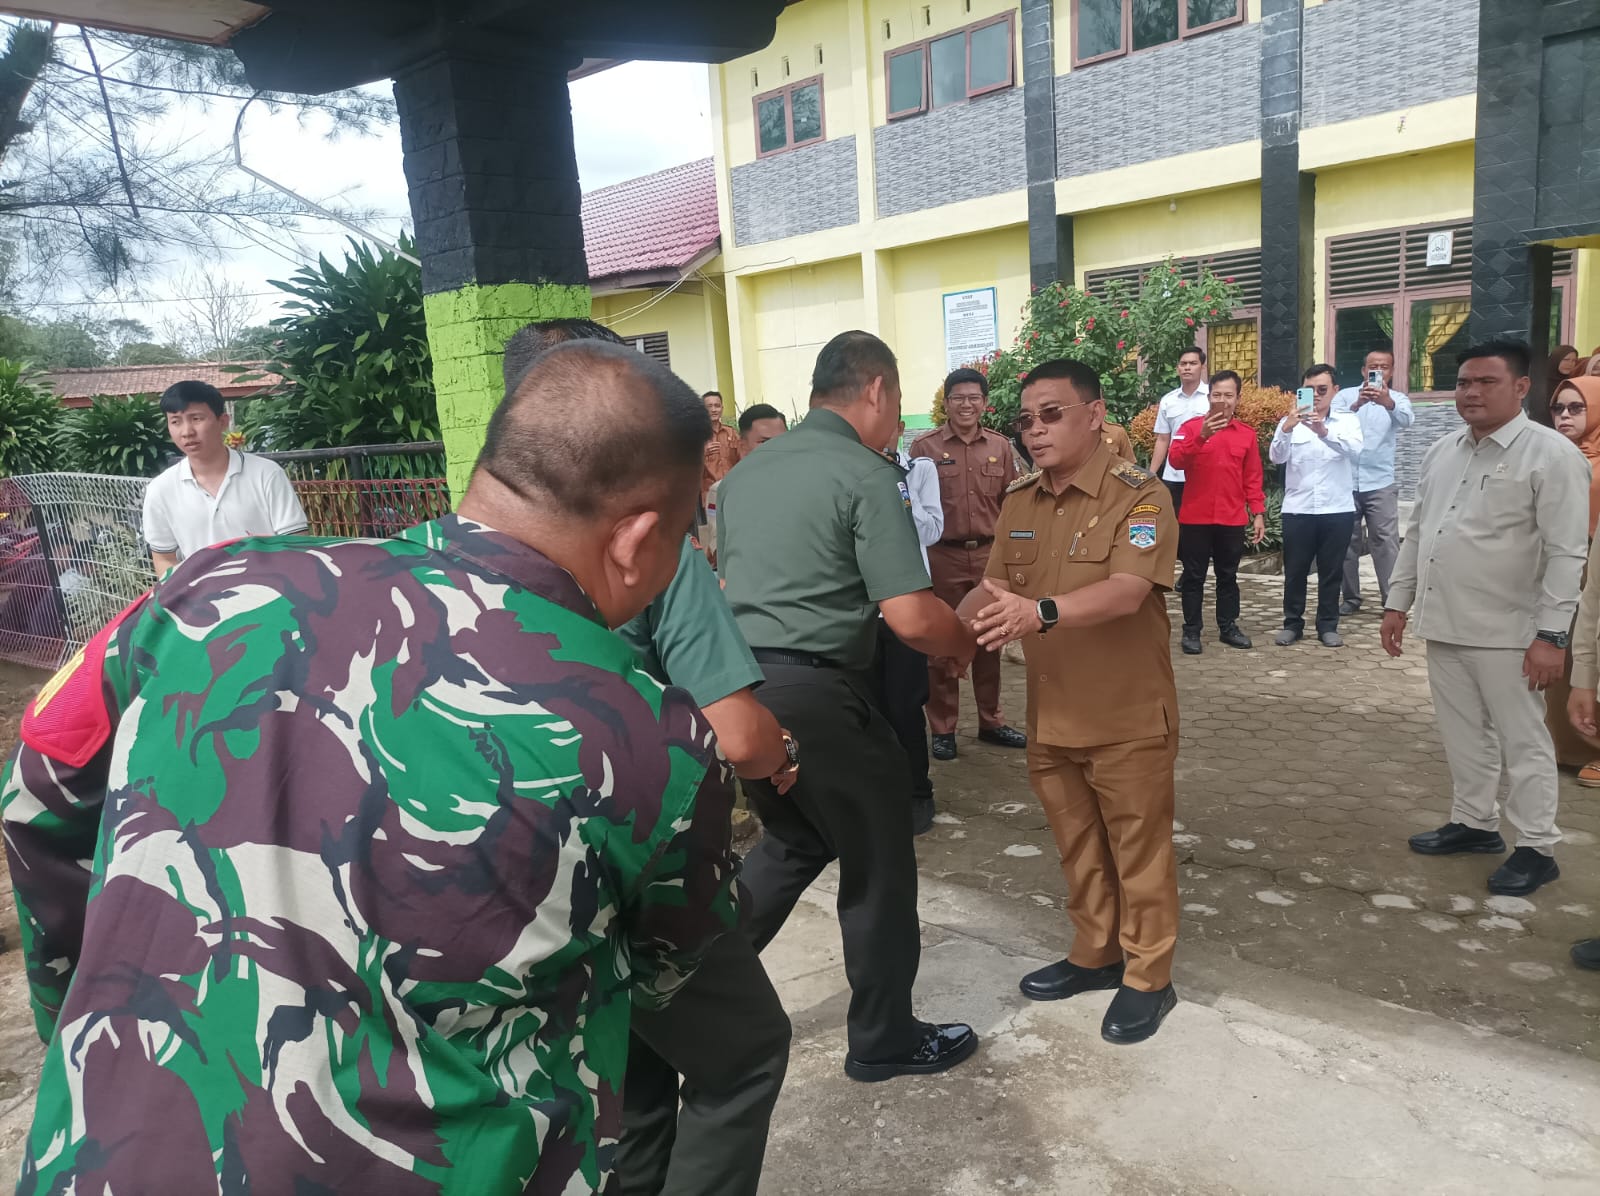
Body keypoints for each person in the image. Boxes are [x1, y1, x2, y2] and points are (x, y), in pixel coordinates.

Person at [0, 340, 741, 1192]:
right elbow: (661, 968)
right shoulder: (657, 742)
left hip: (106, 1159)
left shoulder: (206, 590)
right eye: (686, 534)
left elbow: (39, 792)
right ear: (638, 538)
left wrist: (79, 1014)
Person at [504, 321, 794, 1196]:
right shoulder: (651, 550)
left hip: (500, 886)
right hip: (630, 862)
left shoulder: (433, 554)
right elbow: (739, 737)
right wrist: (784, 751)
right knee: (742, 1054)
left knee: (625, 1078)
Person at [718, 330, 981, 1081]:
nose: (896, 422)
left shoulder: (743, 475)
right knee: (879, 860)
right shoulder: (866, 472)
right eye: (897, 404)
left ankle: (685, 989)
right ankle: (883, 1038)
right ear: (876, 390)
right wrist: (962, 641)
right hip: (824, 694)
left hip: (746, 693)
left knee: (796, 840)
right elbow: (911, 615)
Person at [968, 357, 1181, 1045]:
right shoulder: (1019, 501)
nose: (1035, 430)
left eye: (1052, 414)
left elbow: (1128, 591)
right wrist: (925, 632)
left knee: (1138, 854)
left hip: (1126, 715)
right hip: (1052, 714)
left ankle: (1149, 976)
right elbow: (995, 591)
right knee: (1078, 848)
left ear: (1094, 416)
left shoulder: (1139, 496)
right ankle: (1096, 953)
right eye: (1026, 419)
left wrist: (1041, 613)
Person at [1383, 339, 1589, 898]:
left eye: (1486, 382)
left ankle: (1537, 847)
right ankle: (1474, 823)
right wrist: (1397, 601)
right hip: (1444, 621)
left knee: (1524, 741)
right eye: (1464, 382)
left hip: (1511, 632)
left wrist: (1552, 636)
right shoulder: (1443, 451)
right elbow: (1419, 532)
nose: (1471, 392)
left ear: (1521, 387)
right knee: (1463, 734)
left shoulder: (1551, 455)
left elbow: (1567, 553)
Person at [910, 368, 1028, 761]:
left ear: (984, 402)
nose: (966, 405)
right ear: (946, 403)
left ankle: (991, 721)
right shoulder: (924, 448)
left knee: (990, 641)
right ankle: (943, 728)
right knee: (942, 641)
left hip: (989, 557)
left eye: (974, 397)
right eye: (958, 398)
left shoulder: (1000, 446)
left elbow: (1012, 503)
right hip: (942, 556)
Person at [141, 379, 308, 574]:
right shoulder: (160, 490)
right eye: (176, 422)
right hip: (203, 593)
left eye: (196, 419)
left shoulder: (266, 474)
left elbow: (295, 543)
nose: (187, 432)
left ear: (223, 422)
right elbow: (164, 558)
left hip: (270, 587)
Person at [1167, 369, 1265, 654]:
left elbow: (1252, 477)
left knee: (1228, 576)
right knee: (1193, 577)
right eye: (1217, 395)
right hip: (1195, 517)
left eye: (1229, 395)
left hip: (1231, 518)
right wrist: (1201, 437)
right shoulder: (1190, 428)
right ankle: (1191, 631)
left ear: (1238, 399)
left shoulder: (1246, 435)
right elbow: (1176, 460)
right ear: (1209, 397)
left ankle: (1228, 627)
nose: (1223, 400)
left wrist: (1258, 512)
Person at [881, 418, 944, 834]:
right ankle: (878, 793)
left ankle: (918, 790)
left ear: (900, 428)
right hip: (859, 609)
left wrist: (899, 488)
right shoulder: (847, 474)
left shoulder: (919, 470)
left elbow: (932, 531)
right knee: (867, 706)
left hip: (904, 605)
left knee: (905, 705)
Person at [1270, 365, 1363, 648]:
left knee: (1331, 571)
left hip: (1336, 509)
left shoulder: (1347, 421)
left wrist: (1324, 432)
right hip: (1298, 509)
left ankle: (1327, 626)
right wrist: (1287, 428)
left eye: (1322, 389)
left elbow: (1355, 451)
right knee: (1295, 571)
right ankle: (1292, 624)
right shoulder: (1289, 421)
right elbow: (1276, 457)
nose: (1317, 395)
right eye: (1309, 390)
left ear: (1335, 390)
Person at [1542, 376, 1600, 778]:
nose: (1565, 416)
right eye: (1558, 408)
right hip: (1554, 564)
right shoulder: (1550, 454)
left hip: (1591, 562)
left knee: (1589, 650)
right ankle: (1564, 743)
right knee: (1560, 654)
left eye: (1576, 408)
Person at [1334, 347, 1414, 615]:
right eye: (1373, 367)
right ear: (1363, 370)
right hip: (1345, 481)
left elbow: (1407, 420)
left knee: (1385, 541)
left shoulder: (1398, 399)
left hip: (1380, 482)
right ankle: (1350, 598)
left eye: (1384, 367)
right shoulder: (1345, 396)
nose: (1378, 371)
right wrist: (1357, 404)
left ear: (1392, 371)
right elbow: (1332, 422)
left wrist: (1387, 402)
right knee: (1346, 542)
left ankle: (1392, 601)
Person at [703, 403, 788, 565]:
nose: (776, 448)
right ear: (742, 447)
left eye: (782, 441)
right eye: (764, 442)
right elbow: (717, 544)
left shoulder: (802, 486)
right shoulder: (720, 491)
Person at [1148, 346, 1211, 516]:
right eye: (1183, 364)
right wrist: (1151, 474)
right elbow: (1163, 439)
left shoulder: (1212, 397)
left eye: (1193, 363)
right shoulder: (1168, 400)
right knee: (1174, 524)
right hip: (1173, 475)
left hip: (1205, 474)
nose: (1187, 368)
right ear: (1178, 368)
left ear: (1203, 367)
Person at [702, 389, 743, 503]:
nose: (713, 410)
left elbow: (743, 460)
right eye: (709, 406)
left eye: (717, 406)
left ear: (722, 408)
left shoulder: (732, 433)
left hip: (733, 491)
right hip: (710, 494)